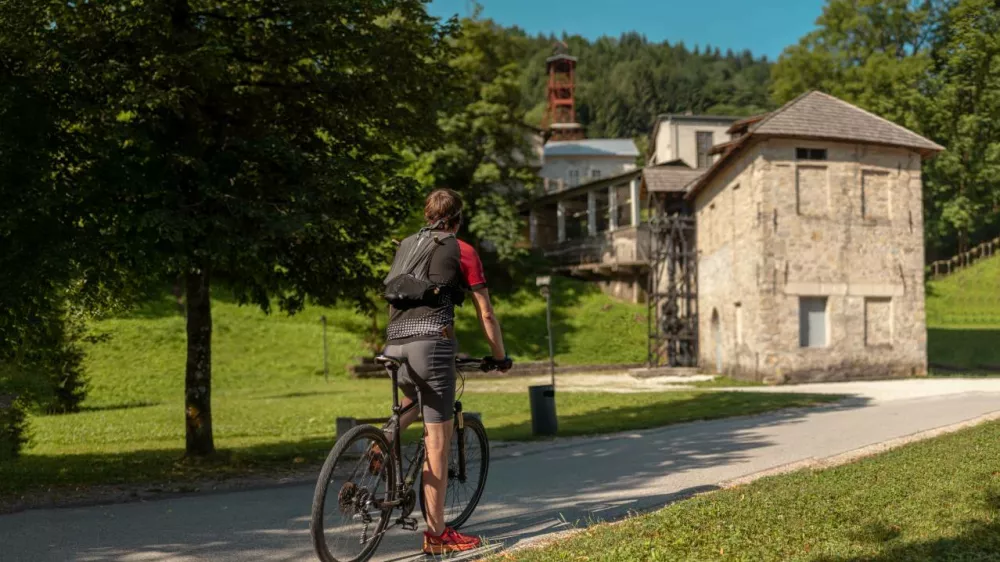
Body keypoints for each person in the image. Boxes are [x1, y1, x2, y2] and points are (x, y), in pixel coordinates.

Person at [381, 188, 512, 555]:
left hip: (393, 346)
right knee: (437, 441)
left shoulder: (407, 245)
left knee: (413, 399)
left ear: (428, 216)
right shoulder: (462, 250)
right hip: (430, 346)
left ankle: (381, 441)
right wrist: (500, 357)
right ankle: (437, 535)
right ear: (457, 219)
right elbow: (486, 312)